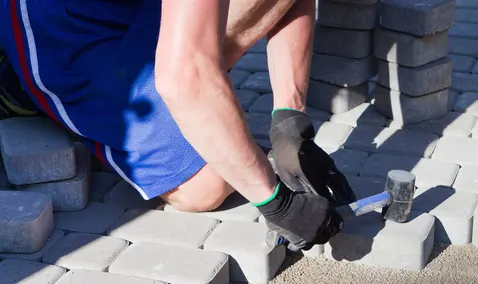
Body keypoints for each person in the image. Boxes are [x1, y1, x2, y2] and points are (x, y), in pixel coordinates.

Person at [0, 0, 356, 251]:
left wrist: (288, 119)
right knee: (204, 185)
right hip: (66, 23)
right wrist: (275, 202)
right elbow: (182, 78)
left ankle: (192, 78)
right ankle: (22, 83)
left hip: (137, 9)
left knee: (215, 134)